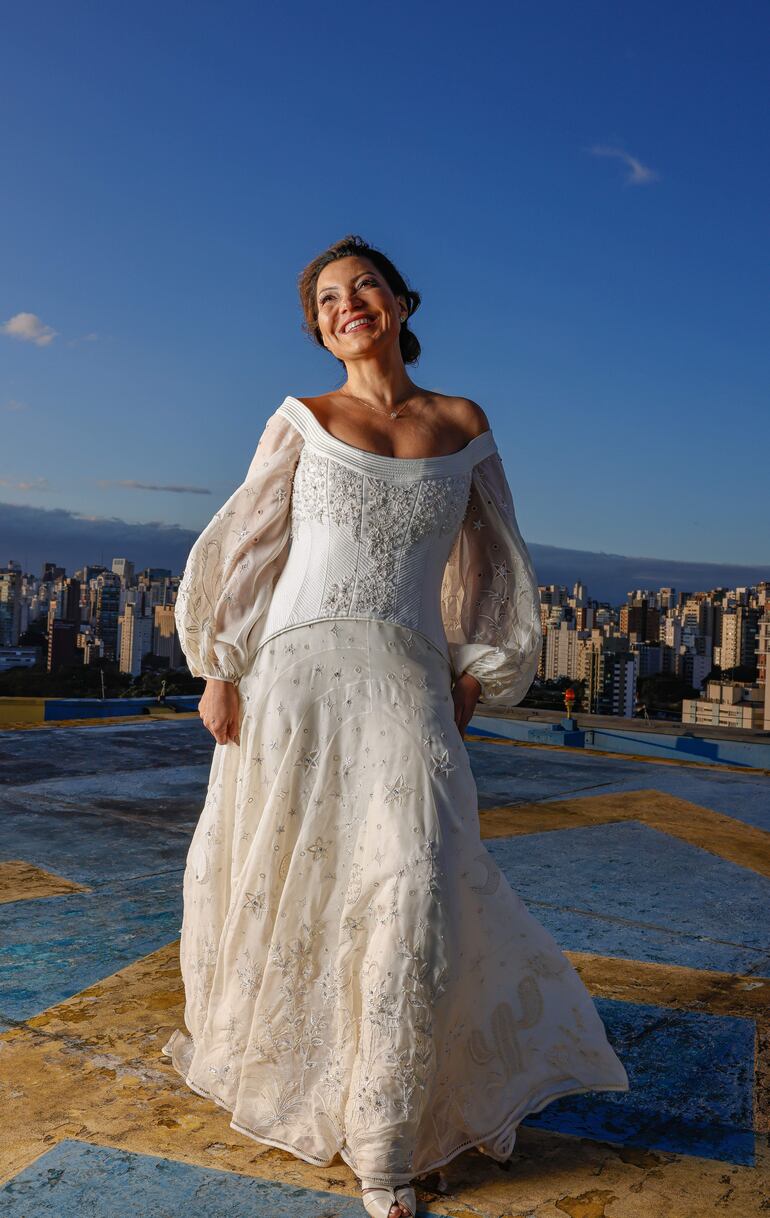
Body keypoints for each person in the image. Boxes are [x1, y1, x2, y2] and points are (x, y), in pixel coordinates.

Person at [161, 235, 629, 1218]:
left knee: (416, 876)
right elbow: (250, 546)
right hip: (293, 681)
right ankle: (354, 1122)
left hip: (407, 677)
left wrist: (474, 667)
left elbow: (492, 557)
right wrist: (219, 666)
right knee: (303, 875)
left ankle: (389, 1132)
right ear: (318, 327)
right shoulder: (301, 418)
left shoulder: (462, 422)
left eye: (363, 285)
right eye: (326, 298)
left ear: (402, 302)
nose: (347, 304)